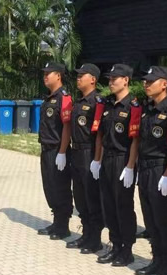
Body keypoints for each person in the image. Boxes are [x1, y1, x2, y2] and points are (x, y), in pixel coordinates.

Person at [134, 66, 167, 275]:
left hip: (160, 167)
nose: (146, 84)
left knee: (162, 218)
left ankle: (166, 265)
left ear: (164, 84)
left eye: (151, 81)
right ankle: (156, 259)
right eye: (145, 81)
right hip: (145, 167)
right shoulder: (146, 109)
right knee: (149, 217)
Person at [92, 64, 141, 266]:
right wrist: (98, 160)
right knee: (109, 205)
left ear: (126, 80)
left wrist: (130, 166)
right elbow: (101, 135)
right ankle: (115, 245)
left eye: (115, 78)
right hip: (108, 158)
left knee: (123, 206)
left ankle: (127, 250)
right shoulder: (108, 105)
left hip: (123, 159)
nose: (111, 82)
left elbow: (135, 139)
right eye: (110, 78)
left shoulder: (134, 106)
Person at [66, 63, 104, 254]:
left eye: (83, 75)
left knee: (91, 197)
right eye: (78, 75)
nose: (78, 78)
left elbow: (99, 135)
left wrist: (97, 160)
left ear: (93, 79)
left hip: (89, 152)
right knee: (80, 197)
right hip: (76, 152)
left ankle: (95, 239)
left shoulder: (98, 102)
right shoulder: (79, 102)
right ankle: (86, 234)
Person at [36, 62, 74, 240]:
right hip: (46, 149)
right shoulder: (48, 98)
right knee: (50, 187)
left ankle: (63, 226)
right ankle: (56, 222)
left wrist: (62, 152)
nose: (45, 77)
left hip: (57, 150)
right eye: (44, 74)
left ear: (58, 76)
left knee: (60, 188)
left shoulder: (64, 98)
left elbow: (67, 126)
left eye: (48, 74)